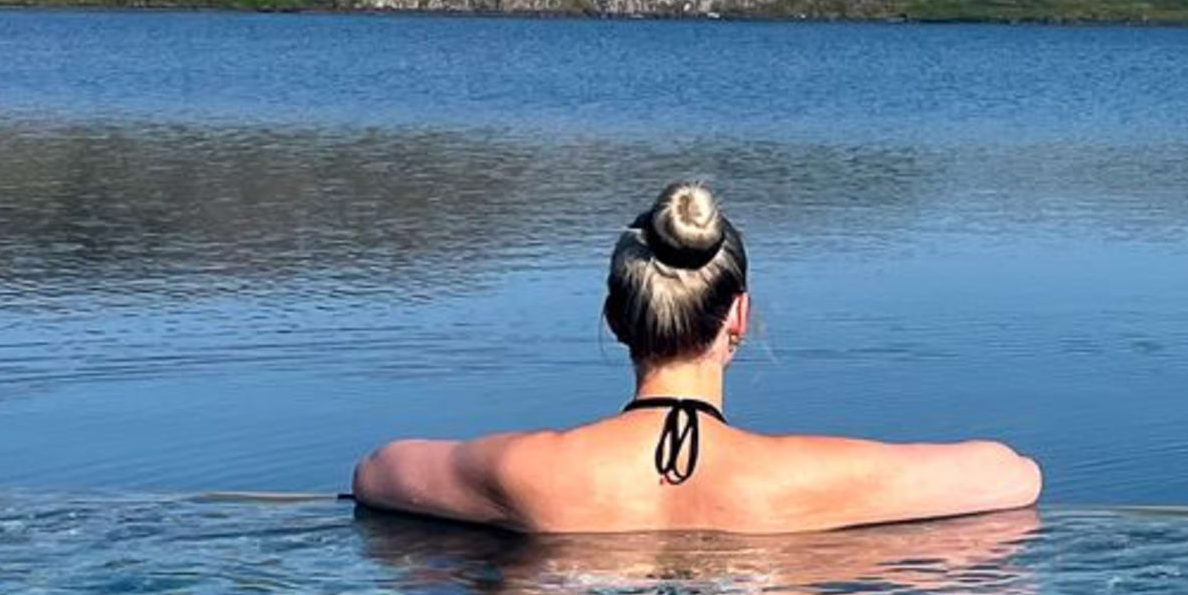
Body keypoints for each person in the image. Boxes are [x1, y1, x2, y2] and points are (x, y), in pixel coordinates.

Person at [350, 181, 1042, 534]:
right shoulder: (804, 476)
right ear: (738, 315)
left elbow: (377, 471)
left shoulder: (529, 469)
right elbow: (1015, 476)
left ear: (616, 316)